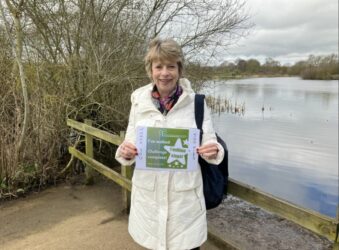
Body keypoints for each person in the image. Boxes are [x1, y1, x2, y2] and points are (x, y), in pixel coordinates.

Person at [115, 38, 224, 250]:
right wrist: (126, 152)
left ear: (179, 69)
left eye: (171, 66)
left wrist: (213, 151)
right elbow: (129, 142)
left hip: (185, 207)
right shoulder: (138, 102)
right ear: (151, 70)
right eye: (159, 66)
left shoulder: (197, 104)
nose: (165, 73)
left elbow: (210, 143)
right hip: (149, 202)